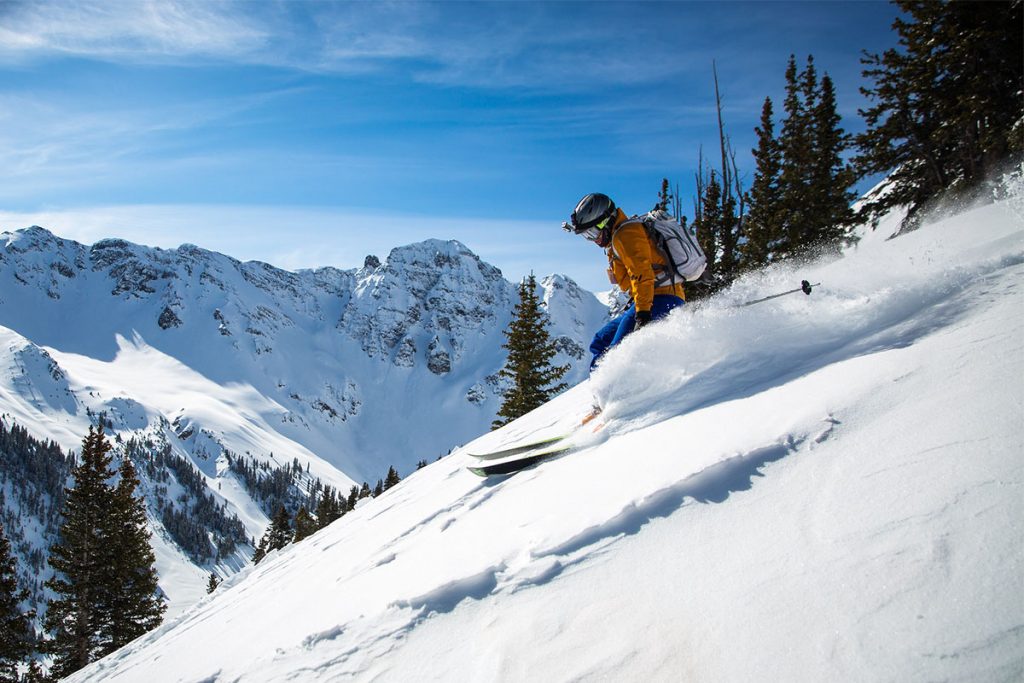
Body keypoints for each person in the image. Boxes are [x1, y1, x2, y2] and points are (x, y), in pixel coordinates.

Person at [565, 192, 686, 369]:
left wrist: (643, 314)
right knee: (600, 342)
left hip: (660, 299)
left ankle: (624, 392)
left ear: (605, 222)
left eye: (592, 232)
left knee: (617, 352)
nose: (593, 240)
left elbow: (642, 273)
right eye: (587, 236)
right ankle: (601, 391)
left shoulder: (626, 234)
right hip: (647, 300)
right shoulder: (617, 237)